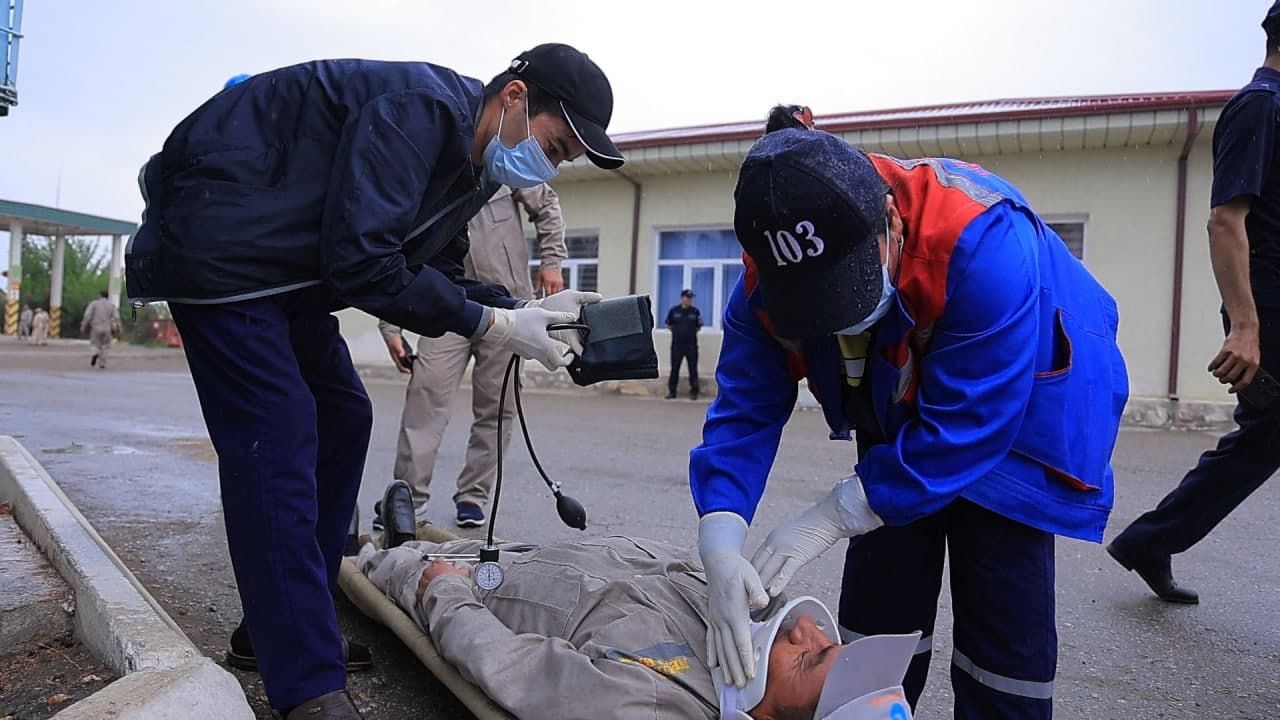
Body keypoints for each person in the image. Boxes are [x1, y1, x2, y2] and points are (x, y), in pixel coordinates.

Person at [125, 44, 623, 719]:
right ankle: (306, 684)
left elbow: (433, 279)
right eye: (554, 144)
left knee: (343, 413)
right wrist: (492, 329)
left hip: (283, 269)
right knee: (279, 432)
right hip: (221, 247)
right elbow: (362, 262)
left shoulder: (469, 172)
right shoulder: (419, 113)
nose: (551, 166)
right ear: (513, 97)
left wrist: (518, 310)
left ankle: (279, 627)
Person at [690, 121, 1128, 719]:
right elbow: (745, 407)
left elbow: (973, 425)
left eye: (845, 294)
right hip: (894, 396)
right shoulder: (763, 281)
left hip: (1021, 408)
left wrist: (835, 513)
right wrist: (719, 535)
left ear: (890, 221)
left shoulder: (983, 242)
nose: (836, 322)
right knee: (880, 599)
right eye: (815, 306)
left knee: (1002, 608)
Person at [357, 532, 918, 720]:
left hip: (487, 584)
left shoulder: (655, 702)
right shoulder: (746, 627)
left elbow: (508, 666)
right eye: (829, 640)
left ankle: (367, 551)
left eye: (810, 658)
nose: (805, 629)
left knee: (384, 561)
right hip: (538, 551)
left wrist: (442, 587)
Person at [1107, 3, 1280, 606]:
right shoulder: (1261, 105)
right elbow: (1224, 220)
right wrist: (1247, 326)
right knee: (1265, 437)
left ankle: (1150, 540)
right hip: (1268, 311)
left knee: (1263, 442)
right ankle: (1150, 539)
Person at [379, 182, 577, 528]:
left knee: (497, 407)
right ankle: (408, 497)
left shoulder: (502, 156)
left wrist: (553, 262)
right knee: (425, 396)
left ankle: (474, 494)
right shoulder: (433, 169)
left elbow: (545, 204)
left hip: (508, 308)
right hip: (443, 306)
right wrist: (390, 325)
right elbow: (399, 250)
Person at [665, 288, 702, 399]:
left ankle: (694, 392)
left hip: (691, 345)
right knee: (674, 369)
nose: (689, 300)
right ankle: (672, 392)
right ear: (682, 298)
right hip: (677, 345)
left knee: (693, 369)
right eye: (687, 298)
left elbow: (698, 327)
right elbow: (669, 325)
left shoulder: (695, 311)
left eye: (690, 298)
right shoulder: (674, 311)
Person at [81, 290, 120, 368]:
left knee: (94, 344)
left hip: (96, 327)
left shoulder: (94, 303)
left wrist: (83, 325)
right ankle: (102, 364)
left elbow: (87, 315)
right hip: (107, 328)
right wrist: (118, 327)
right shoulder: (111, 305)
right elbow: (116, 317)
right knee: (105, 345)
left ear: (100, 295)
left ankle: (95, 353)